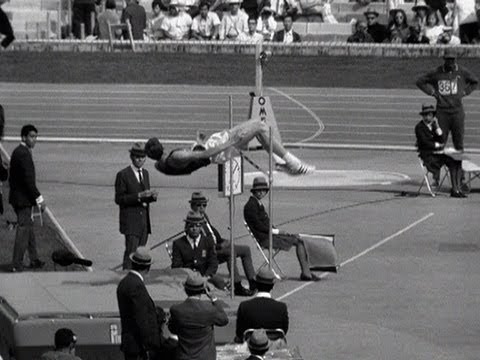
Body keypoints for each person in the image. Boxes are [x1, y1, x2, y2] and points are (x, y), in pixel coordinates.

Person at [145, 117, 315, 176]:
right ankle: (292, 163)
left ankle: (280, 161)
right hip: (219, 150)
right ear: (161, 148)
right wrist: (231, 143)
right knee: (261, 127)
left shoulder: (162, 164)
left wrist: (198, 143)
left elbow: (194, 159)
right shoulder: (175, 157)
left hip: (213, 145)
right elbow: (203, 157)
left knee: (259, 126)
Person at [243, 176, 321, 282]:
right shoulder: (251, 206)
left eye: (263, 190)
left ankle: (306, 271)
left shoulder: (257, 203)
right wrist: (278, 231)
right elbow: (259, 226)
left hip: (269, 235)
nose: (261, 193)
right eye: (258, 191)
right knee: (299, 242)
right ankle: (306, 273)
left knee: (298, 238)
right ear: (254, 191)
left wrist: (281, 233)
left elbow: (265, 224)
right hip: (265, 238)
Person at [189, 191, 256, 296]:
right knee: (230, 252)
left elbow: (212, 234)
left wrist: (223, 241)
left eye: (204, 205)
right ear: (192, 206)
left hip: (217, 247)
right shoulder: (192, 222)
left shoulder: (204, 216)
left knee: (245, 249)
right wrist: (219, 246)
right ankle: (237, 285)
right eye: (199, 205)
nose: (202, 208)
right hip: (207, 254)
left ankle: (253, 282)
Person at [416, 49, 479, 152]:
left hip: (457, 111)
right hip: (442, 112)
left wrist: (465, 92)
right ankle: (436, 166)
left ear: (455, 59)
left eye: (452, 59)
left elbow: (474, 81)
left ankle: (458, 166)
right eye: (448, 59)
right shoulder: (436, 72)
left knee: (458, 142)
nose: (450, 62)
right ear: (444, 59)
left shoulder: (462, 72)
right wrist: (432, 92)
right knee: (440, 140)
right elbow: (420, 82)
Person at [115, 143, 157, 270]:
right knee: (131, 253)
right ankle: (126, 276)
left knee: (141, 254)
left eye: (143, 157)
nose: (140, 160)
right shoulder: (123, 174)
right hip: (131, 222)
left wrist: (151, 197)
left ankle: (139, 276)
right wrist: (138, 196)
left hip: (144, 222)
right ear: (132, 157)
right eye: (138, 157)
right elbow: (119, 199)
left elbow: (145, 197)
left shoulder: (145, 173)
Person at [9, 124, 45, 272]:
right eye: (31, 136)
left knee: (28, 228)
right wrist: (39, 199)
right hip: (23, 199)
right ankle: (16, 264)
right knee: (24, 230)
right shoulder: (23, 154)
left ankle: (34, 259)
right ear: (24, 137)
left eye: (36, 137)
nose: (34, 140)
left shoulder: (19, 151)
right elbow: (28, 180)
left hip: (19, 197)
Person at [117, 247, 164, 360]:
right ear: (148, 267)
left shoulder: (125, 282)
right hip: (139, 346)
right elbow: (142, 318)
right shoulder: (136, 286)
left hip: (131, 343)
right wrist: (150, 345)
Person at [168, 273, 229, 360]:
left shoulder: (176, 310)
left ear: (186, 289)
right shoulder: (209, 310)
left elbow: (172, 329)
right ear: (203, 290)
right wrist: (214, 299)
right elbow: (224, 320)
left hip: (184, 356)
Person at [415, 104, 466, 198]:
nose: (427, 117)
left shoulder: (434, 126)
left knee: (456, 161)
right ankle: (455, 189)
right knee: (451, 160)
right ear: (423, 116)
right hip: (428, 156)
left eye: (429, 115)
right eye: (425, 115)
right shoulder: (419, 127)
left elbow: (442, 139)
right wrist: (437, 145)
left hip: (437, 154)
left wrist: (438, 127)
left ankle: (456, 188)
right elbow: (425, 142)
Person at [235, 268, 288, 348]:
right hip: (274, 344)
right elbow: (284, 330)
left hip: (250, 345)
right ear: (272, 286)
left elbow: (239, 333)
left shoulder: (244, 306)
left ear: (256, 284)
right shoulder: (281, 307)